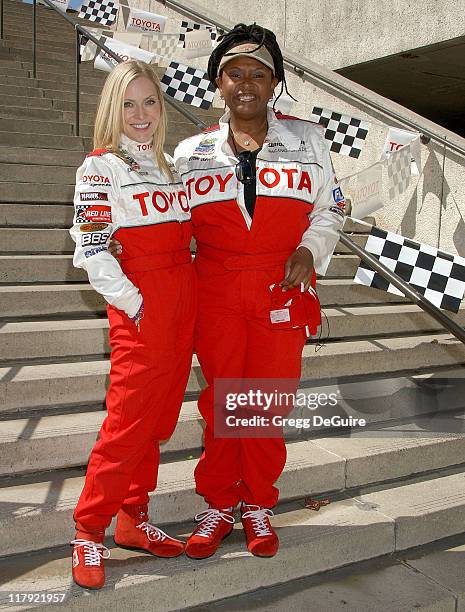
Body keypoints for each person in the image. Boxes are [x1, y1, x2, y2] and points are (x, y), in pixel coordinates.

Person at [110, 23, 345, 560]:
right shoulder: (191, 151)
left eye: (258, 75)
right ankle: (218, 503)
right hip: (214, 289)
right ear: (218, 82)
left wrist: (311, 249)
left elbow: (330, 209)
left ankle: (258, 503)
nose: (246, 84)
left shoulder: (308, 140)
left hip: (281, 289)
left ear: (274, 82)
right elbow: (168, 218)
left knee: (265, 402)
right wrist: (124, 245)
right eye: (234, 73)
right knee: (221, 402)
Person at [69, 60, 196, 590]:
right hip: (142, 314)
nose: (141, 115)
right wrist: (135, 303)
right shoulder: (100, 169)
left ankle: (132, 520)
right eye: (129, 103)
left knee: (157, 423)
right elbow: (93, 249)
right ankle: (88, 529)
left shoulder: (171, 168)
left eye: (150, 102)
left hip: (183, 309)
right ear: (111, 108)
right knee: (125, 425)